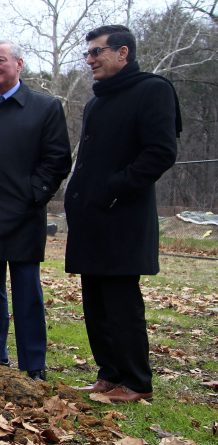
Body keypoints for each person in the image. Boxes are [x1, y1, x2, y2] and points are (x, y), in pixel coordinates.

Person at [64, 24, 179, 403]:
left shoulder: (153, 90)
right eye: (88, 54)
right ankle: (108, 375)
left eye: (97, 52)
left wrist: (115, 188)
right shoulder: (98, 101)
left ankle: (136, 381)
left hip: (123, 218)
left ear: (123, 53)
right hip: (91, 219)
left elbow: (160, 152)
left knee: (121, 302)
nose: (90, 60)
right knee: (95, 301)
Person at [0, 41, 71, 380]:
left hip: (23, 216)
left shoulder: (44, 108)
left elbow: (57, 160)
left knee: (27, 296)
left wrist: (32, 195)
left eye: (0, 61)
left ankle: (33, 366)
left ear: (19, 64)